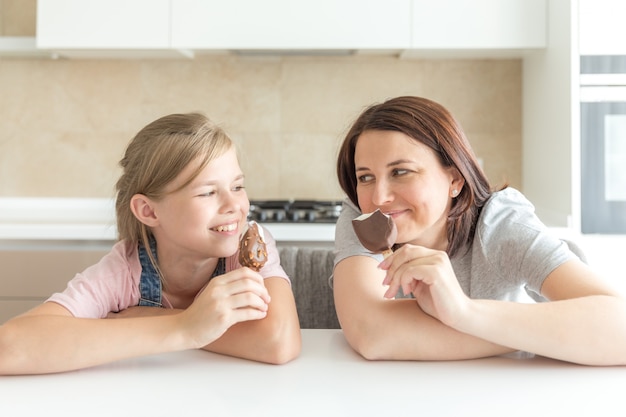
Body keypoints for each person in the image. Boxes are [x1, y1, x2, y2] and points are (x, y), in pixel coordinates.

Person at [333, 96, 626, 366]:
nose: (379, 196)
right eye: (366, 177)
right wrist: (529, 336)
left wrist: (463, 312)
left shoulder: (500, 221)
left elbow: (619, 328)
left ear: (455, 180)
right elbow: (371, 332)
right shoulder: (362, 216)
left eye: (401, 171)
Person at [0, 113, 301, 375]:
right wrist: (184, 329)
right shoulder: (124, 273)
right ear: (149, 211)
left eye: (238, 186)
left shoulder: (248, 247)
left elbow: (279, 341)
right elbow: (9, 347)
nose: (235, 205)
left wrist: (152, 316)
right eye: (208, 192)